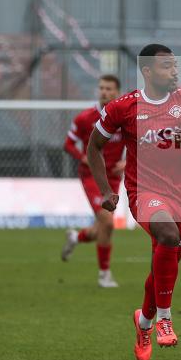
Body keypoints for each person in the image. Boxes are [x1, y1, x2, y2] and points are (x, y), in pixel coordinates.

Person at [86, 44, 181, 360]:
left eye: (175, 65)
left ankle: (144, 321)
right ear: (147, 71)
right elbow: (94, 147)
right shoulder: (123, 107)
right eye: (167, 66)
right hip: (143, 191)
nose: (174, 71)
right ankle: (164, 318)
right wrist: (106, 190)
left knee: (165, 264)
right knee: (167, 235)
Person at [61, 74, 126, 288]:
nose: (104, 92)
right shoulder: (85, 118)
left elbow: (139, 141)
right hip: (92, 176)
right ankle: (104, 275)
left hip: (113, 177)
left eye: (109, 88)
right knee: (107, 223)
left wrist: (127, 162)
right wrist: (83, 157)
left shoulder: (124, 117)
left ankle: (76, 237)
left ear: (117, 92)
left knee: (100, 229)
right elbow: (68, 144)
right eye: (101, 88)